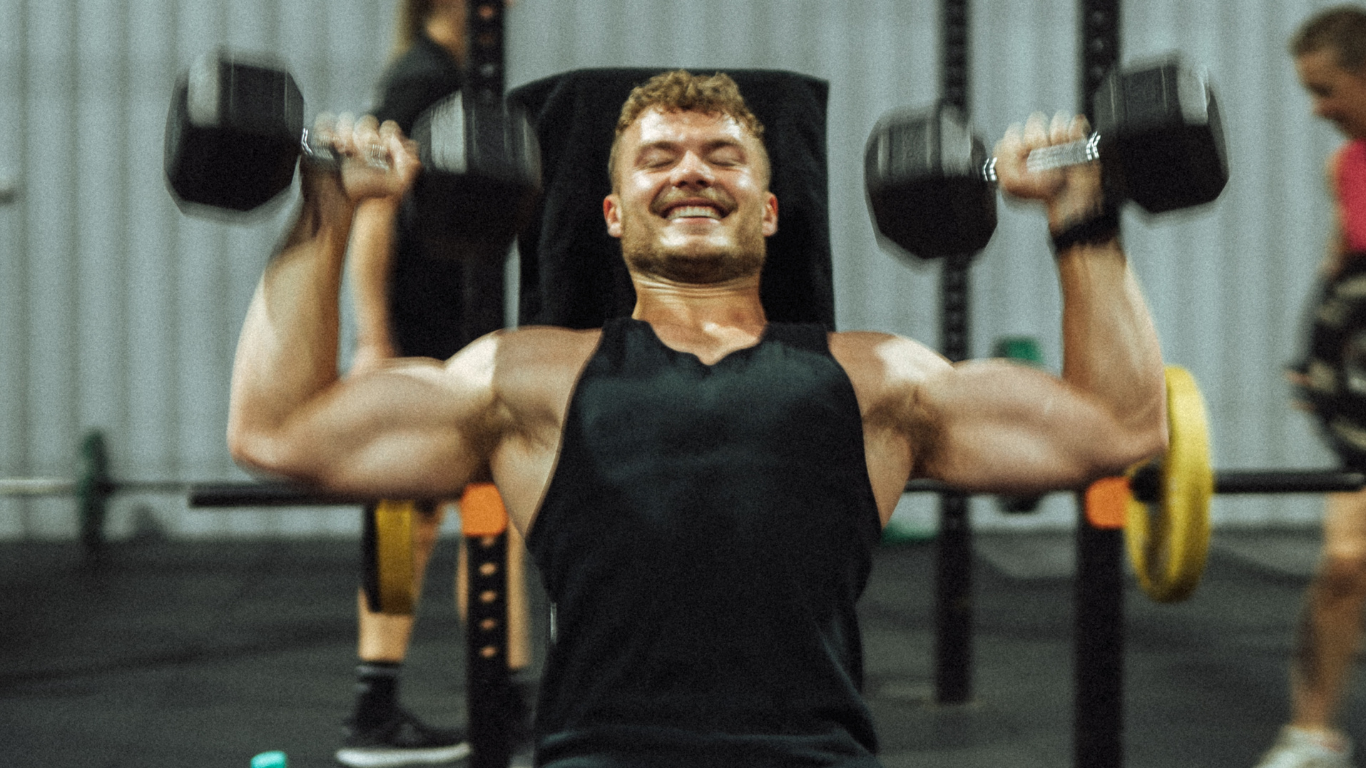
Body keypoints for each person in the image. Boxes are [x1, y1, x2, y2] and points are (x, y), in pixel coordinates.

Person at [227, 70, 1167, 767]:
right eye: (658, 159)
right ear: (611, 213)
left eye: (723, 157)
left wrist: (1079, 210)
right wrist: (327, 212)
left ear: (769, 211)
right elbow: (278, 431)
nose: (690, 173)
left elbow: (1120, 428)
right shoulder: (526, 378)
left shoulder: (876, 379)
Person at [338, 1, 530, 766]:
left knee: (489, 513)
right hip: (420, 335)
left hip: (460, 332)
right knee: (401, 521)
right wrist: (373, 341)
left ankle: (497, 700)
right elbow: (375, 210)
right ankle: (378, 706)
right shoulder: (421, 79)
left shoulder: (458, 75)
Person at [1257, 7, 1366, 768]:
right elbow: (1340, 278)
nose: (1316, 110)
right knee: (1345, 566)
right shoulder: (1347, 167)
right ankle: (1311, 735)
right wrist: (1317, 365)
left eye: (1326, 90)